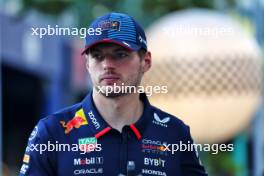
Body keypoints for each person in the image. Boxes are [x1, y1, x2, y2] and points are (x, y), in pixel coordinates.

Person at [19, 12, 207, 176]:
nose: (107, 64)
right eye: (98, 56)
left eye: (120, 54)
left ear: (146, 61)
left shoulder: (174, 133)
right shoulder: (52, 132)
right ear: (87, 64)